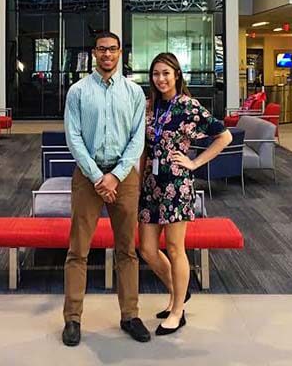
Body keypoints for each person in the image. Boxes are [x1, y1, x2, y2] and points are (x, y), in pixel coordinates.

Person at [61, 31, 149, 347]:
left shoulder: (135, 92)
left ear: (120, 52)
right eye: (102, 49)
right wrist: (99, 176)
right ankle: (72, 318)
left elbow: (138, 138)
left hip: (124, 179)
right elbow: (73, 137)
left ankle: (130, 315)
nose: (107, 54)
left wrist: (116, 175)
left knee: (127, 250)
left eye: (112, 49)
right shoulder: (78, 91)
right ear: (94, 53)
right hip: (88, 177)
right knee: (78, 250)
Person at [138, 53, 232, 336]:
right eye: (156, 74)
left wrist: (194, 162)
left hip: (177, 185)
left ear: (177, 74)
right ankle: (179, 291)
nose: (161, 78)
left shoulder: (188, 106)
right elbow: (144, 148)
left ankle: (178, 310)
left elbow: (224, 136)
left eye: (166, 73)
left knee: (176, 248)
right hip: (150, 185)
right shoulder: (150, 107)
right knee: (147, 249)